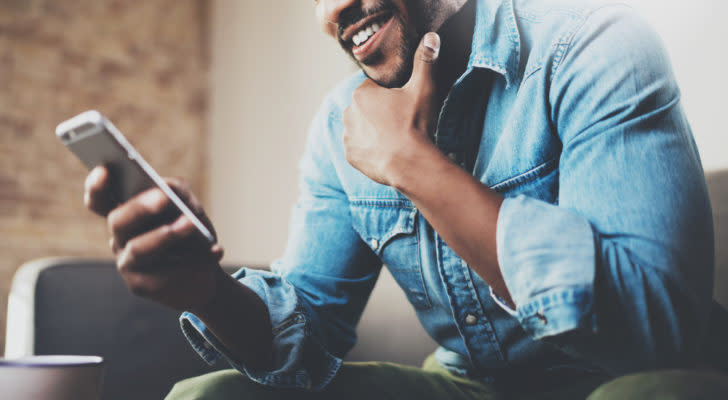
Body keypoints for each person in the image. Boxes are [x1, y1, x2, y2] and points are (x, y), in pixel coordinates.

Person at [84, 0, 728, 398]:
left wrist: (415, 166)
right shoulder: (339, 126)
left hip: (626, 379)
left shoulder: (593, 43)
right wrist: (208, 290)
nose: (335, 7)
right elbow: (306, 338)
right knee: (210, 397)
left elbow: (654, 333)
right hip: (475, 386)